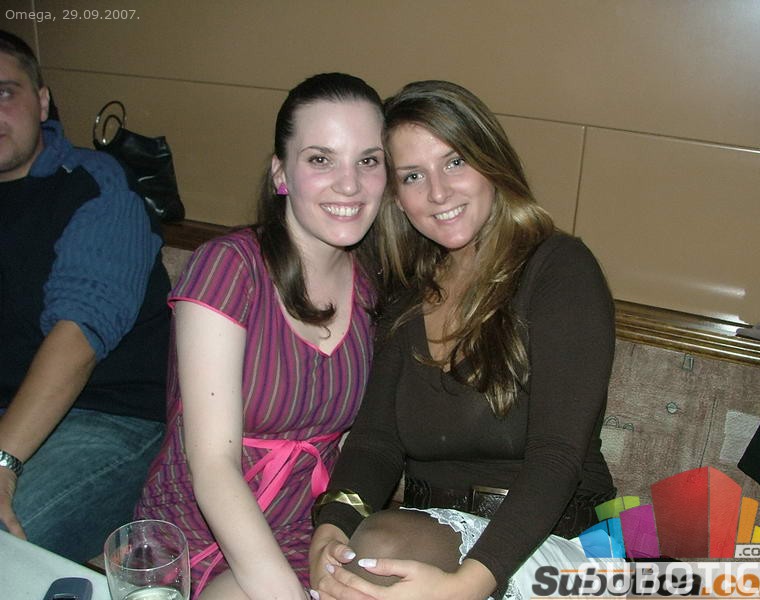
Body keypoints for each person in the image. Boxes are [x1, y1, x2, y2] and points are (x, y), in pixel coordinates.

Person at [309, 80, 618, 600]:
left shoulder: (560, 268)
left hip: (555, 541)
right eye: (413, 175)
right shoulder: (407, 291)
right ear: (396, 197)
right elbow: (376, 442)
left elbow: (557, 458)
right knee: (363, 561)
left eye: (454, 162)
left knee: (381, 553)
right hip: (425, 535)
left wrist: (468, 584)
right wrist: (332, 526)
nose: (438, 193)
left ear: (491, 162)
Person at [135, 72, 387, 600]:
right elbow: (212, 465)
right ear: (280, 173)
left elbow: (358, 447)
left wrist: (337, 535)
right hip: (200, 537)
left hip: (303, 534)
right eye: (321, 159)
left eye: (368, 160)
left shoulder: (373, 287)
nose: (350, 184)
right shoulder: (229, 268)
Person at [0, 30, 169, 562]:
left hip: (112, 417)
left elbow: (79, 335)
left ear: (42, 101)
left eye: (5, 92)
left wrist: (2, 461)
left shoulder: (95, 185)